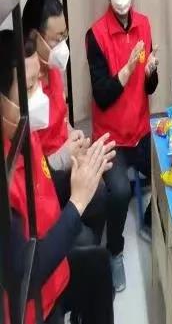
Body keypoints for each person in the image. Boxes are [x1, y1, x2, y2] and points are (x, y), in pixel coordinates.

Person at [0, 30, 115, 324]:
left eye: (37, 82)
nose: (39, 95)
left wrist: (83, 173)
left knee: (99, 267)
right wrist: (76, 203)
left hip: (56, 270)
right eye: (29, 87)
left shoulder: (24, 133)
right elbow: (27, 277)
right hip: (34, 302)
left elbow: (43, 182)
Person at [86, 0, 158, 292]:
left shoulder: (144, 24)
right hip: (111, 139)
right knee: (117, 193)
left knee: (168, 171)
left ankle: (150, 221)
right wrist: (128, 70)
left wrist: (150, 73)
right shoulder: (95, 35)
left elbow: (149, 88)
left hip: (141, 131)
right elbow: (101, 95)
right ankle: (114, 252)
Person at [22, 0, 107, 245]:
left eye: (64, 36)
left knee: (101, 189)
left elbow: (61, 118)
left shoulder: (54, 70)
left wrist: (73, 134)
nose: (62, 46)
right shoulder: (26, 91)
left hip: (65, 159)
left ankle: (93, 249)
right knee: (89, 218)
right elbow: (29, 168)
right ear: (34, 37)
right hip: (44, 178)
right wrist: (64, 156)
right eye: (55, 39)